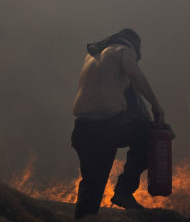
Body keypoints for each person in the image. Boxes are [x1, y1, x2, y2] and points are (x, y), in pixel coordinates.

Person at [70, 28, 173, 215]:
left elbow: (123, 92)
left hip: (82, 129)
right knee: (151, 136)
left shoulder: (93, 57)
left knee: (92, 186)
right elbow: (134, 74)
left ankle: (85, 217)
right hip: (109, 126)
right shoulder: (123, 50)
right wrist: (156, 105)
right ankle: (124, 190)